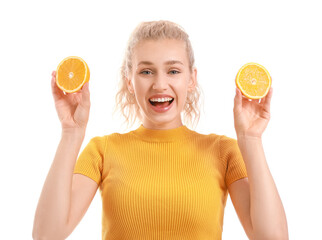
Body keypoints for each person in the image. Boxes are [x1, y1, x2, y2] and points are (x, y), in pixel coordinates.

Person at [32, 20, 288, 240]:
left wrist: (251, 138)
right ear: (129, 81)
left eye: (173, 70)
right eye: (146, 71)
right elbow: (47, 234)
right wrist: (71, 133)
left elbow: (272, 237)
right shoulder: (102, 151)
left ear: (191, 79)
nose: (160, 84)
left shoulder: (223, 151)